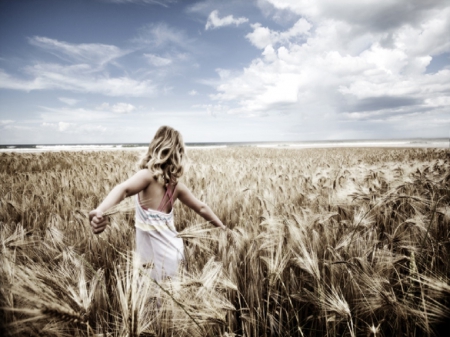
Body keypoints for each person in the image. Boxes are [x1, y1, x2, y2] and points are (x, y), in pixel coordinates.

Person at [89, 125, 226, 281]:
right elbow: (202, 208)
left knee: (152, 300)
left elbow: (123, 189)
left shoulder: (147, 176)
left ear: (155, 147)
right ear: (179, 154)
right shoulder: (178, 187)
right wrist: (222, 228)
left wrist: (100, 210)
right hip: (175, 254)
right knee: (172, 300)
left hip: (152, 261)